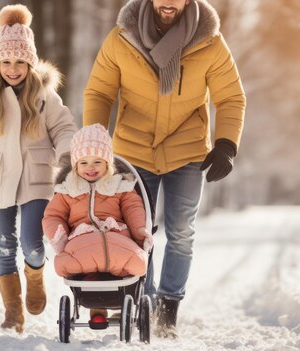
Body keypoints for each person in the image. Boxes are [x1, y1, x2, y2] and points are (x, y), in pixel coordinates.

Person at [82, 0, 246, 338]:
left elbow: (230, 97)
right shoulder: (122, 38)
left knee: (181, 232)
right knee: (140, 233)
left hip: (187, 152)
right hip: (134, 150)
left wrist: (226, 144)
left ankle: (168, 309)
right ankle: (145, 301)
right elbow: (100, 91)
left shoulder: (209, 41)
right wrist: (95, 140)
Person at [0, 4, 77, 334]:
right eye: (6, 62)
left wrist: (67, 154)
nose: (12, 69)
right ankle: (13, 312)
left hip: (36, 178)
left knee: (32, 241)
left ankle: (35, 276)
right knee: (4, 245)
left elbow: (64, 127)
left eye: (19, 62)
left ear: (30, 62)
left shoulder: (44, 95)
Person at [42, 123, 153, 320]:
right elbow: (53, 215)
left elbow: (134, 209)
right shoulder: (67, 190)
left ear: (108, 163)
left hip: (118, 239)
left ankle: (115, 302)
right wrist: (58, 236)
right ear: (75, 166)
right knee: (67, 262)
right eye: (83, 163)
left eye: (97, 162)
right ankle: (97, 303)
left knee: (136, 262)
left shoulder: (121, 186)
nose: (90, 168)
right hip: (81, 242)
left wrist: (140, 233)